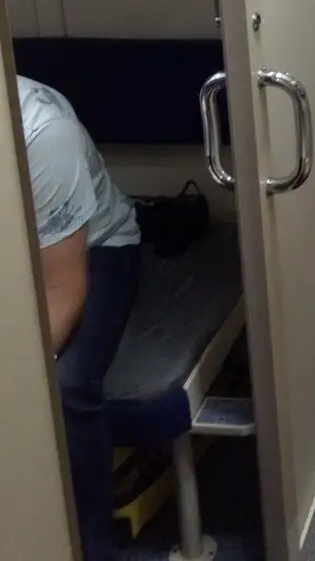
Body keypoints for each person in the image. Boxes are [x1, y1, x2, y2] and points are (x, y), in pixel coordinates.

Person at [18, 75, 140, 561]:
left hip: (96, 251)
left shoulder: (42, 133)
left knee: (64, 384)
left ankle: (91, 545)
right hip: (16, 255)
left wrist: (22, 380)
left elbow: (61, 290)